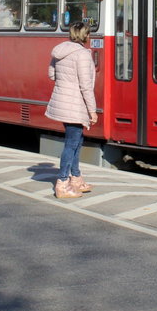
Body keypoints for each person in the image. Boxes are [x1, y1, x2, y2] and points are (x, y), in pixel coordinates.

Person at [44, 21, 97, 199]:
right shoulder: (82, 54)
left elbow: (52, 75)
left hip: (62, 101)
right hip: (75, 103)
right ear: (84, 35)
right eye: (88, 33)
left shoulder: (59, 51)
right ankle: (62, 183)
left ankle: (75, 178)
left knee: (76, 140)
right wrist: (93, 111)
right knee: (72, 144)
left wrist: (66, 83)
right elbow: (85, 86)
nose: (90, 36)